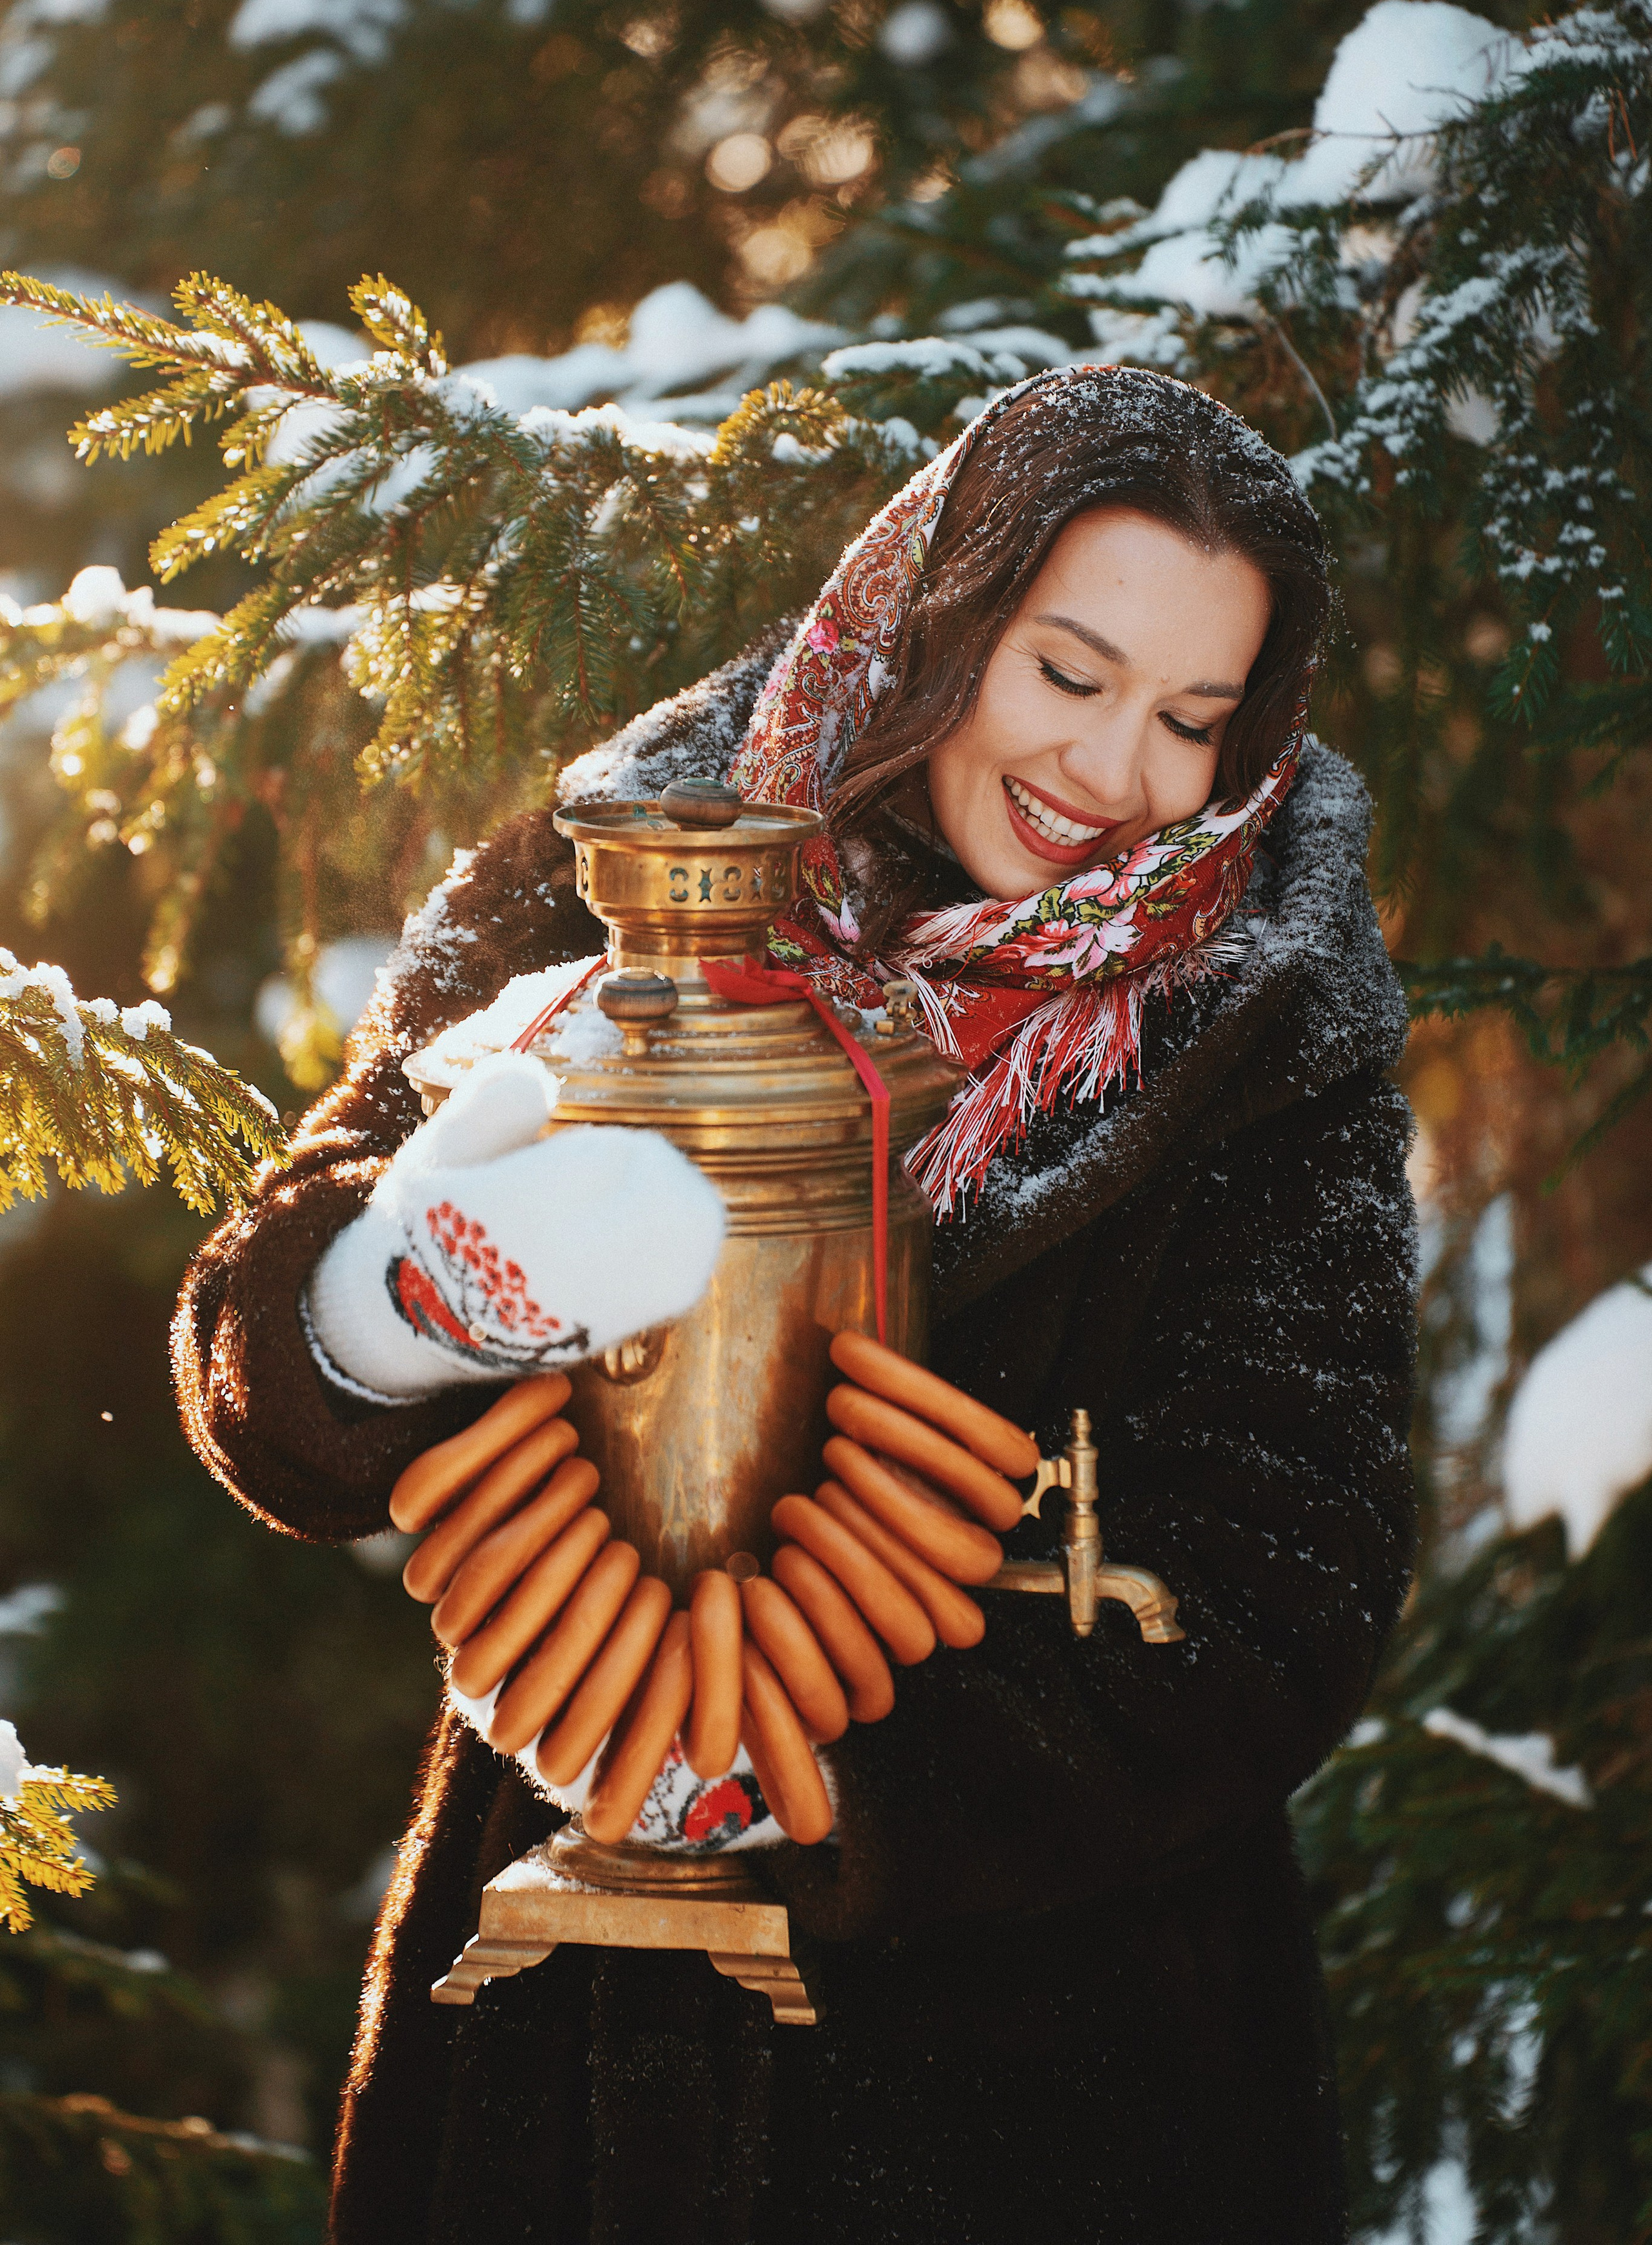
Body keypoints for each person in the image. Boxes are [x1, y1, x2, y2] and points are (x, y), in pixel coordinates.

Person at [174, 365, 1416, 2245]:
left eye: (1189, 719)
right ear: (944, 616)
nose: (1114, 775)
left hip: (1050, 2078)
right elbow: (252, 1370)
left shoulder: (1265, 1023)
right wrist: (389, 1308)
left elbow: (1289, 1573)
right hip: (566, 2036)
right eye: (1067, 676)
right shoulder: (611, 877)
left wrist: (817, 1778)